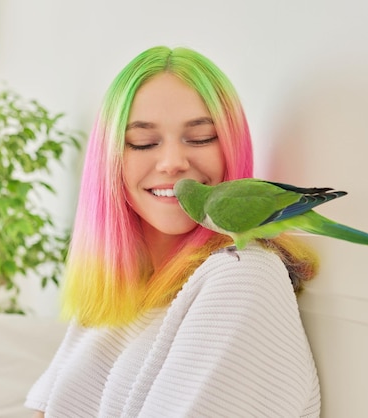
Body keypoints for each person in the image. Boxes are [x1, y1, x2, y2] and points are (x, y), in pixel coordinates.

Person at [26, 45, 321, 417]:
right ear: (111, 161)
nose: (172, 163)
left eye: (200, 138)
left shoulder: (243, 274)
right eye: (143, 143)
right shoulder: (117, 290)